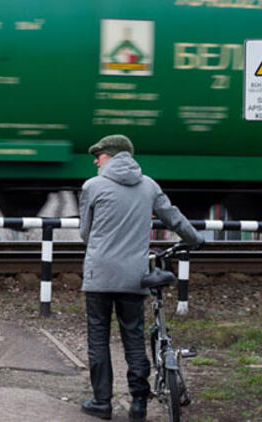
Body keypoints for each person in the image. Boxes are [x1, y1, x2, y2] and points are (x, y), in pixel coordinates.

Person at [78, 134, 204, 421]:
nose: (96, 160)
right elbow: (174, 218)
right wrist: (195, 239)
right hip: (134, 277)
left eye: (98, 155)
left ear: (111, 155)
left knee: (98, 337)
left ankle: (102, 402)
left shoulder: (92, 186)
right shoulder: (149, 186)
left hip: (99, 275)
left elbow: (85, 233)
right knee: (133, 336)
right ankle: (138, 404)